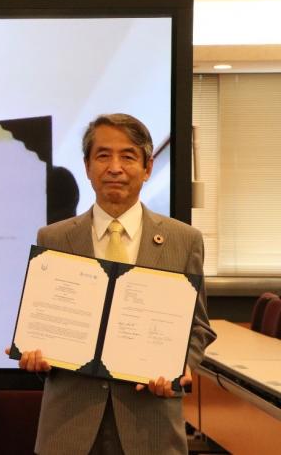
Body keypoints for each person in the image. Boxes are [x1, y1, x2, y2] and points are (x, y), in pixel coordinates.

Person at [18, 113, 216, 455]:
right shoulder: (54, 238)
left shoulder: (184, 241)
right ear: (87, 165)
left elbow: (198, 327)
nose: (115, 167)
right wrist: (34, 353)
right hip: (69, 426)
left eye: (127, 156)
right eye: (103, 155)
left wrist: (181, 365)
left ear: (147, 167)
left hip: (150, 423)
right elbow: (44, 324)